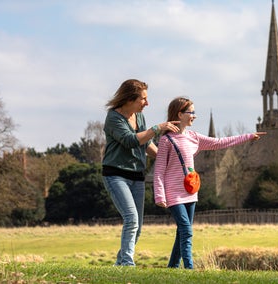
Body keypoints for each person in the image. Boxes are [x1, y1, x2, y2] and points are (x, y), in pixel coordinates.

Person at [153, 97, 266, 269]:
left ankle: (172, 267)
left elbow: (219, 143)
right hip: (173, 193)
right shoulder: (166, 140)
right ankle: (189, 268)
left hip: (190, 191)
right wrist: (159, 195)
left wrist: (248, 136)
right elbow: (159, 170)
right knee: (186, 230)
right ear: (179, 114)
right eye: (191, 112)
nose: (194, 116)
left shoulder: (193, 137)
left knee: (182, 231)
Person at [102, 79, 179, 266]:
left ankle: (120, 264)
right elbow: (130, 140)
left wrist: (168, 160)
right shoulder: (113, 118)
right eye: (143, 99)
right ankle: (128, 264)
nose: (147, 103)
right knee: (131, 219)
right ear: (130, 99)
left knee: (137, 227)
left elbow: (145, 144)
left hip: (137, 176)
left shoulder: (140, 117)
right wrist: (157, 128)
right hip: (116, 175)